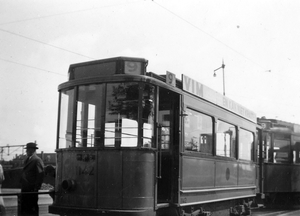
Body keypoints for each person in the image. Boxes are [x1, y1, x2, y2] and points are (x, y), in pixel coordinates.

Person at [20, 142, 44, 216]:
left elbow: (40, 175)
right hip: (25, 189)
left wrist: (36, 188)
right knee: (25, 208)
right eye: (27, 150)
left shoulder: (37, 160)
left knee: (31, 208)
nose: (27, 151)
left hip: (31, 189)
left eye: (28, 150)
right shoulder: (28, 159)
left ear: (33, 150)